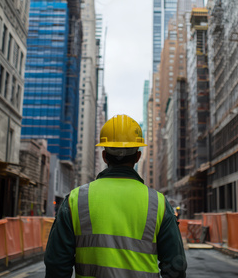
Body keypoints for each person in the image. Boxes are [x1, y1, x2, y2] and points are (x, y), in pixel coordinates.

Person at [44, 114, 187, 278]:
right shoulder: (159, 203)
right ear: (137, 157)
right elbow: (176, 266)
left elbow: (57, 265)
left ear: (104, 156)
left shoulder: (75, 200)